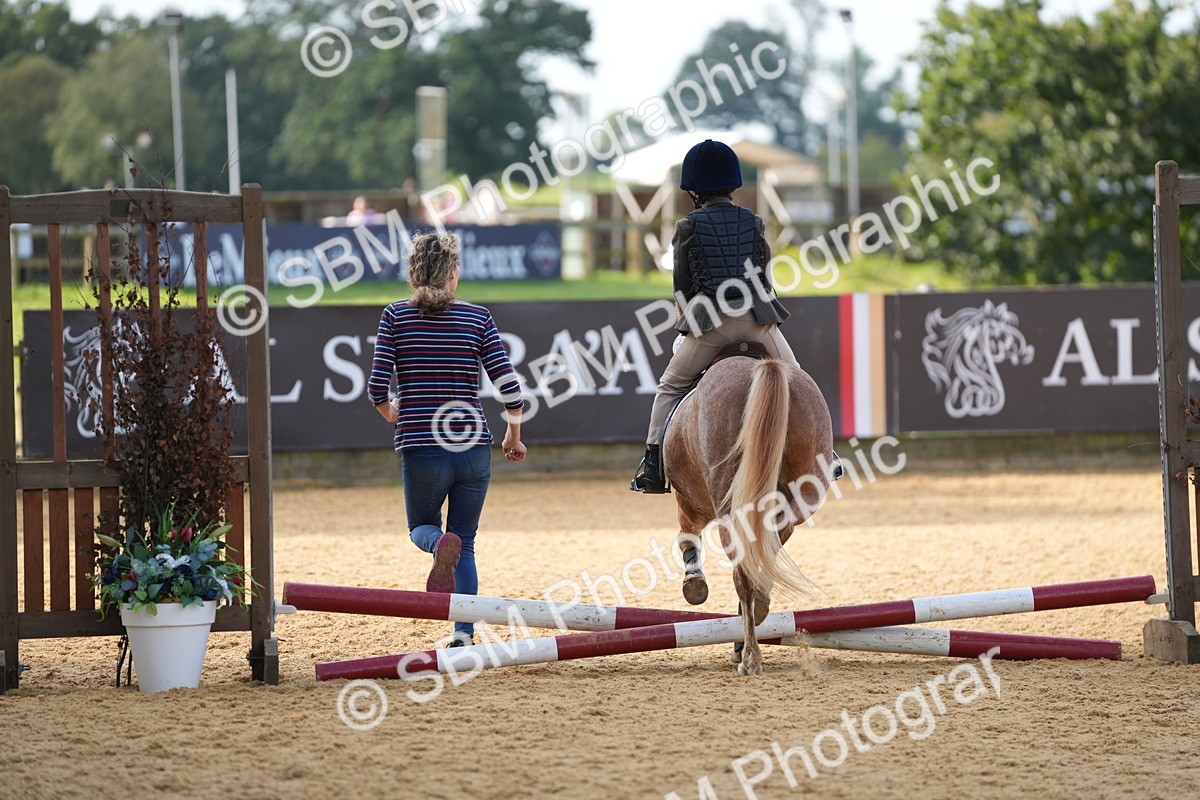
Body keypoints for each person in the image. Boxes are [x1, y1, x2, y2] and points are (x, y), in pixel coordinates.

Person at [368, 232, 527, 647]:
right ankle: (463, 633)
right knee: (467, 543)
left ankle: (439, 545)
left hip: (422, 447)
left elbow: (376, 389)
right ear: (453, 274)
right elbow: (509, 387)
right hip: (473, 448)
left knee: (422, 527)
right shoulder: (478, 318)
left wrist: (394, 414)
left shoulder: (394, 317)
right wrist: (513, 434)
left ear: (412, 274)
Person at [631, 139, 800, 494]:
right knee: (799, 383)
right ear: (733, 183)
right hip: (758, 321)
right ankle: (825, 456)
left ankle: (651, 468)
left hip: (710, 326)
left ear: (693, 190)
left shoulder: (687, 227)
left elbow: (682, 289)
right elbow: (765, 279)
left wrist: (686, 326)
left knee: (669, 387)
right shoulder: (754, 222)